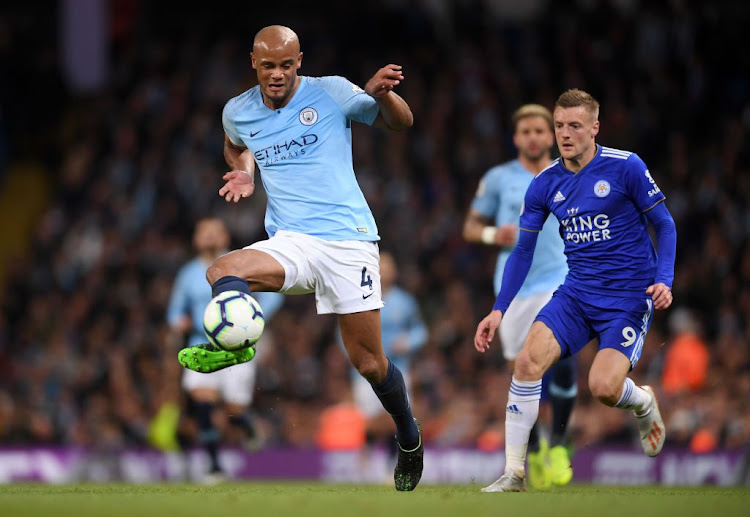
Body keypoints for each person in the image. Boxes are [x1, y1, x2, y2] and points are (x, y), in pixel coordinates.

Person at [176, 25, 423, 491]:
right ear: (254, 62)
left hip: (349, 242)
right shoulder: (238, 111)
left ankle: (409, 436)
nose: (277, 74)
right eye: (268, 65)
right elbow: (234, 143)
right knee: (221, 269)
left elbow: (400, 122)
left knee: (369, 363)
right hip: (292, 241)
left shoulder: (330, 92)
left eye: (286, 65)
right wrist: (244, 172)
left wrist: (384, 95)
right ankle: (235, 343)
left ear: (299, 61)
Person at [474, 89, 676, 492]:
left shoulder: (626, 167)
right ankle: (514, 473)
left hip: (627, 298)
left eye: (575, 126)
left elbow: (665, 225)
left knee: (602, 389)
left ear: (594, 128)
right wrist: (498, 309)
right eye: (560, 126)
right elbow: (523, 251)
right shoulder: (544, 183)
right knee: (528, 361)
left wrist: (664, 280)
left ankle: (643, 402)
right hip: (577, 293)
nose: (565, 134)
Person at [463, 104, 577, 489]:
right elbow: (470, 227)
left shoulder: (568, 174)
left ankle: (559, 441)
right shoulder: (498, 179)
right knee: (523, 374)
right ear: (516, 138)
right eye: (525, 131)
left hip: (558, 278)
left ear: (551, 136)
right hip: (513, 290)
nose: (533, 137)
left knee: (560, 357)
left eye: (539, 131)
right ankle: (533, 453)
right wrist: (495, 235)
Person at [167, 217, 284, 483]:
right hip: (201, 345)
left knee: (234, 410)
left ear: (225, 237)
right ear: (195, 239)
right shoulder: (187, 274)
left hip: (237, 348)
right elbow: (175, 311)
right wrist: (177, 322)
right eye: (203, 231)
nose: (208, 236)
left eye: (214, 231)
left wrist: (255, 317)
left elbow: (273, 295)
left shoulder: (241, 263)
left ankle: (249, 426)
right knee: (203, 401)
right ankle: (215, 466)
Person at [345, 251, 427, 450]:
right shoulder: (359, 298)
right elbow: (344, 332)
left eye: (389, 267)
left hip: (398, 368)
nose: (385, 271)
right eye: (381, 266)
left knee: (395, 417)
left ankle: (391, 464)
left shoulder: (404, 301)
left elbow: (421, 331)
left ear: (395, 272)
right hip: (365, 373)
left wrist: (408, 342)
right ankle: (366, 462)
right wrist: (355, 354)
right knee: (369, 421)